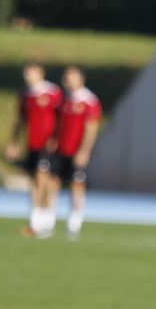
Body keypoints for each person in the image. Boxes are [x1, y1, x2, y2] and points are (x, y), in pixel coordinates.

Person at [4, 62, 63, 239]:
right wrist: (14, 141)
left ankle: (46, 220)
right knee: (35, 182)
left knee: (43, 180)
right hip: (33, 144)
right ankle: (36, 222)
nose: (27, 75)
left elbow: (62, 118)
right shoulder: (25, 94)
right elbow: (20, 119)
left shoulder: (53, 93)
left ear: (41, 73)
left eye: (31, 72)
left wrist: (56, 138)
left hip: (49, 145)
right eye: (26, 72)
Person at [50, 66, 102, 241]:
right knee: (53, 182)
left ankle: (74, 222)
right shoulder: (63, 100)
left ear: (81, 78)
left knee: (76, 185)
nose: (67, 80)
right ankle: (48, 220)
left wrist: (84, 151)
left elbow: (91, 128)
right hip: (60, 150)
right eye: (65, 77)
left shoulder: (89, 101)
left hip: (76, 150)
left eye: (71, 77)